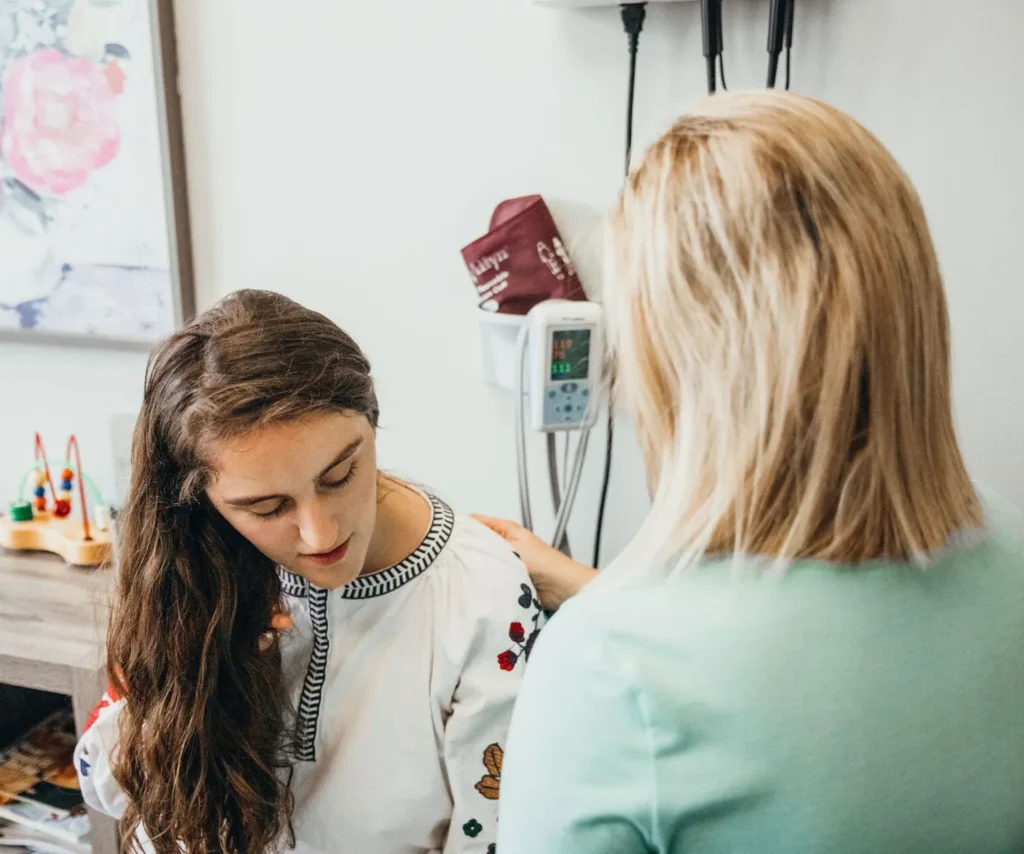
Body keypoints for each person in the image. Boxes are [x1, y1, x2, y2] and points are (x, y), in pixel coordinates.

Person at [479, 91, 1024, 853]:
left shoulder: (605, 673)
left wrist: (617, 624)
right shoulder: (1007, 548)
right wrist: (592, 589)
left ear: (674, 356)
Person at [74, 290, 542, 854]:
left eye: (341, 475)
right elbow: (111, 787)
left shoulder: (478, 598)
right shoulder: (197, 566)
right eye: (267, 508)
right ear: (202, 500)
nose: (320, 535)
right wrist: (206, 664)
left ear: (373, 424)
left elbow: (491, 837)